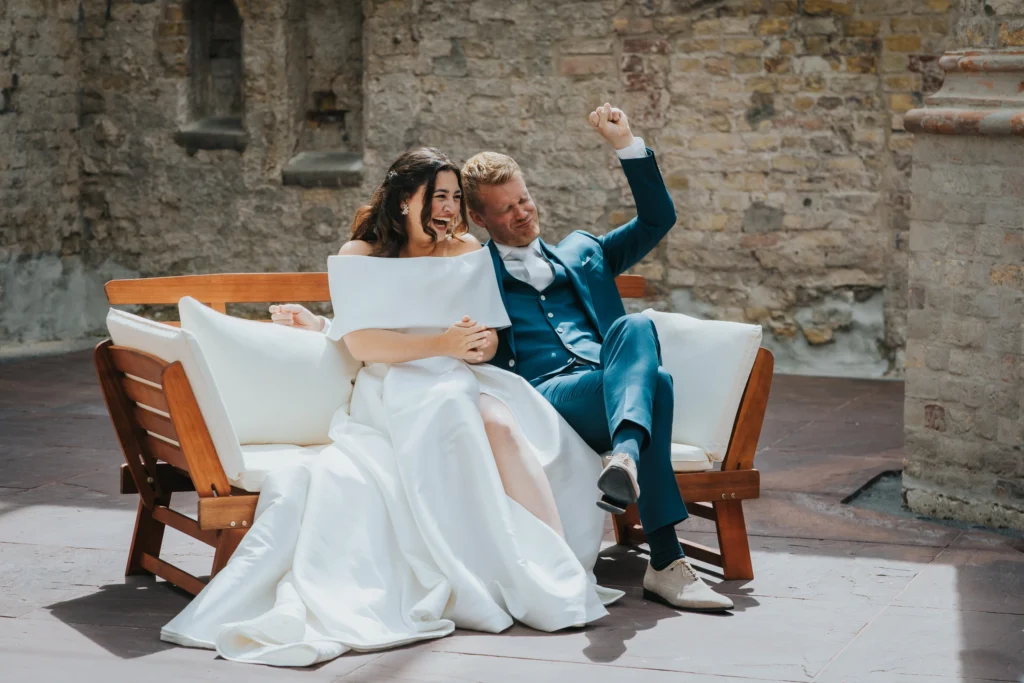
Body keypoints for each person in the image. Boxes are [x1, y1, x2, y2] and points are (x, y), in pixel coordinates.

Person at [161, 146, 619, 667]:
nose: (448, 208)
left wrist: (476, 345)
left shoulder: (465, 247)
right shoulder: (362, 254)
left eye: (453, 197)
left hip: (462, 374)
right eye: (437, 196)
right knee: (450, 412)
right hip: (395, 384)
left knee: (507, 428)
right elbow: (363, 345)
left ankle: (560, 572)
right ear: (405, 200)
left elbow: (490, 336)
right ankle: (468, 571)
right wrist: (440, 345)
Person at [457, 103, 734, 612]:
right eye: (507, 209)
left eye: (525, 199)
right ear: (478, 218)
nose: (523, 213)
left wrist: (625, 143)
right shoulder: (471, 270)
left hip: (606, 384)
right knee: (660, 384)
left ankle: (625, 458)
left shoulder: (585, 251)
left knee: (636, 328)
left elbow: (658, 218)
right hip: (547, 397)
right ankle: (666, 562)